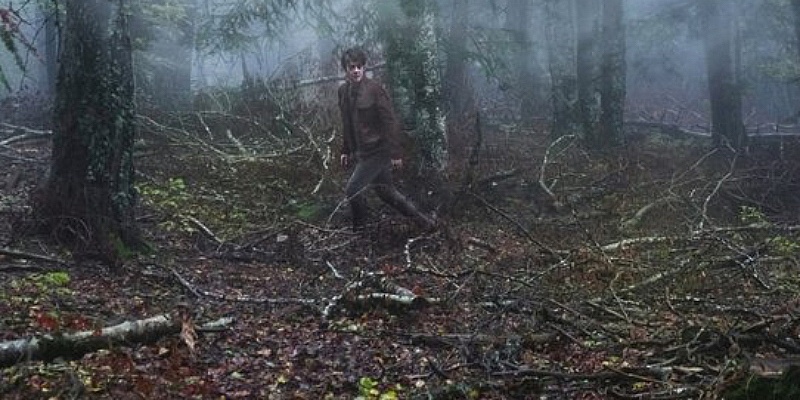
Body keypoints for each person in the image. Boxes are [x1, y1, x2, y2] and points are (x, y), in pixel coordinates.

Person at [337, 47, 436, 232]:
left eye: (359, 66)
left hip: (377, 151)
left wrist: (395, 153)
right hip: (362, 152)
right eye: (352, 67)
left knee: (352, 190)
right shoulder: (343, 92)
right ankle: (426, 224)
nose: (356, 71)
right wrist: (345, 150)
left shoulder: (375, 90)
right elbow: (347, 123)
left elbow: (389, 122)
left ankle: (360, 232)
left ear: (364, 67)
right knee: (387, 192)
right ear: (346, 70)